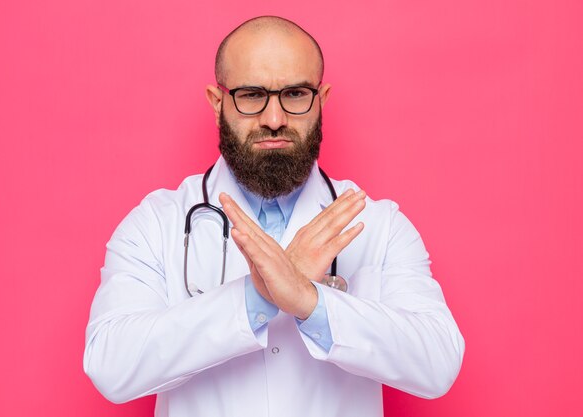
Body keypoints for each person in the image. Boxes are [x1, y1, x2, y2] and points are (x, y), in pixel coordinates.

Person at [83, 15, 465, 417]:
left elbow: (438, 363)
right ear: (218, 103)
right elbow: (111, 365)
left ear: (321, 100)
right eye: (251, 95)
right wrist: (257, 296)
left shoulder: (380, 225)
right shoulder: (155, 224)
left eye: (296, 93)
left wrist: (308, 300)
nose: (274, 119)